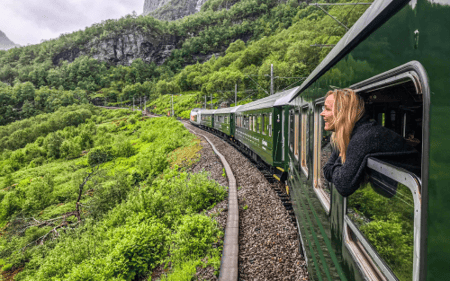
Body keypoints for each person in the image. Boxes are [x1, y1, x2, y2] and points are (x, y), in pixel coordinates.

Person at [321, 88, 420, 197]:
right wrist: (340, 164)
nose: (322, 113)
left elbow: (343, 185)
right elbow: (327, 170)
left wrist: (340, 159)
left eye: (327, 109)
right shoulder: (352, 134)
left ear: (343, 112)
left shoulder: (364, 137)